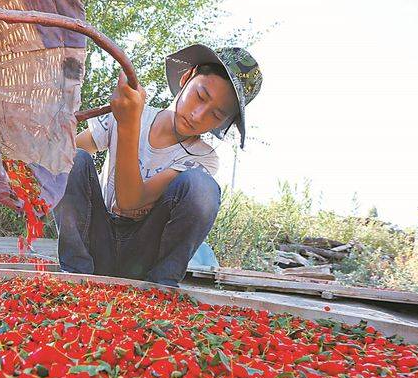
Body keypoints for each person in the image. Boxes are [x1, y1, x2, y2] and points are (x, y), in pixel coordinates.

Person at [54, 44, 263, 286]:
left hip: (144, 257)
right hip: (96, 243)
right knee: (73, 159)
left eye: (215, 115)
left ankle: (162, 287)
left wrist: (128, 125)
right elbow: (64, 159)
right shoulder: (131, 112)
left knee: (201, 187)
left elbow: (130, 202)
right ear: (187, 78)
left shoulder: (202, 158)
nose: (198, 115)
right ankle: (75, 275)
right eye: (200, 96)